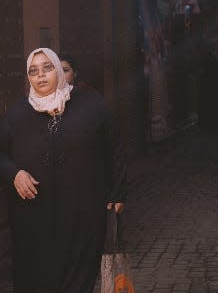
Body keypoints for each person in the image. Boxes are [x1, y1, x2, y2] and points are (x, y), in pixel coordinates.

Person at [0, 47, 126, 293]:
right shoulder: (16, 114)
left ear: (58, 69)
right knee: (36, 281)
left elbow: (115, 148)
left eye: (47, 68)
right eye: (33, 71)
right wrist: (13, 174)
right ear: (28, 77)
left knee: (78, 280)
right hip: (32, 219)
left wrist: (118, 192)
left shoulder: (91, 104)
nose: (41, 75)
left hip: (83, 214)